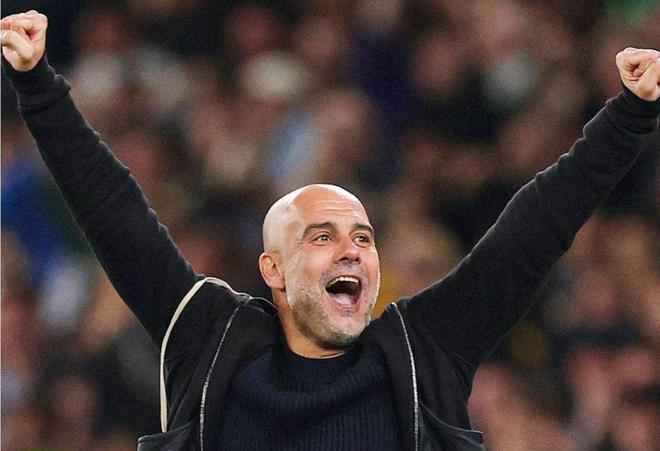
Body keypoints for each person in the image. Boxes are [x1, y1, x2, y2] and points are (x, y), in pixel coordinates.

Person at [2, 10, 659, 451]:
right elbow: (115, 214)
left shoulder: (425, 346)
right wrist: (37, 85)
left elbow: (531, 232)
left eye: (363, 238)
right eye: (322, 236)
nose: (353, 249)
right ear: (272, 269)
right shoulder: (209, 337)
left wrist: (629, 115)